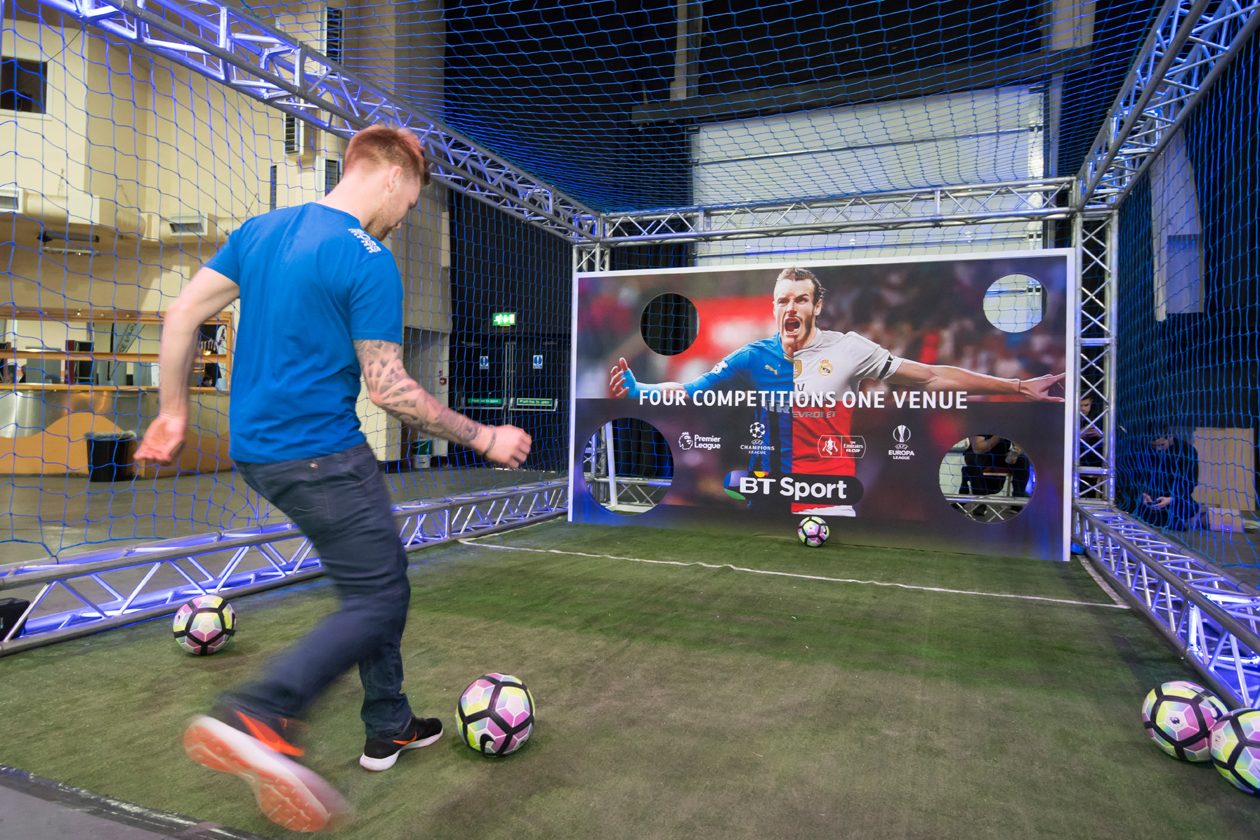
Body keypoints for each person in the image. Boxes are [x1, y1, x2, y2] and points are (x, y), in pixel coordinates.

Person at [135, 125, 531, 832]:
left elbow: (182, 313)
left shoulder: (259, 232)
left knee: (372, 577)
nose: (404, 216)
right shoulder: (367, 258)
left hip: (257, 454)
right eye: (410, 201)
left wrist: (171, 412)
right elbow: (390, 390)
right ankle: (259, 713)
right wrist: (485, 436)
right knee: (380, 595)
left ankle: (389, 721)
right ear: (393, 176)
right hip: (321, 453)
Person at [610, 266, 1064, 511]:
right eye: (783, 300)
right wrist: (639, 390)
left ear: (817, 306)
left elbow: (930, 376)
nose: (791, 308)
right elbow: (689, 391)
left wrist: (1017, 385)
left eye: (801, 299)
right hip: (767, 495)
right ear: (774, 307)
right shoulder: (751, 356)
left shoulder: (850, 349)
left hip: (827, 495)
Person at [1126, 430, 1201, 530]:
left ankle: (1164, 518)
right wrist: (1142, 493)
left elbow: (1190, 481)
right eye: (1154, 446)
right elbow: (1136, 477)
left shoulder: (1188, 451)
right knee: (1129, 500)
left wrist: (1172, 499)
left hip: (1173, 496)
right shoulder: (1143, 450)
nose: (1158, 449)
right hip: (1149, 496)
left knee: (1191, 507)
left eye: (1161, 445)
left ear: (1170, 437)